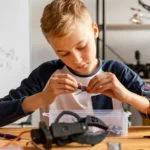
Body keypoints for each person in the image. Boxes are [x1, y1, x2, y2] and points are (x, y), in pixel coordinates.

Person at [0, 0, 150, 127]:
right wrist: (42, 98)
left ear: (95, 30)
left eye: (82, 46)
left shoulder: (117, 72)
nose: (76, 60)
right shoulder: (45, 74)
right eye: (63, 53)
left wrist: (127, 96)